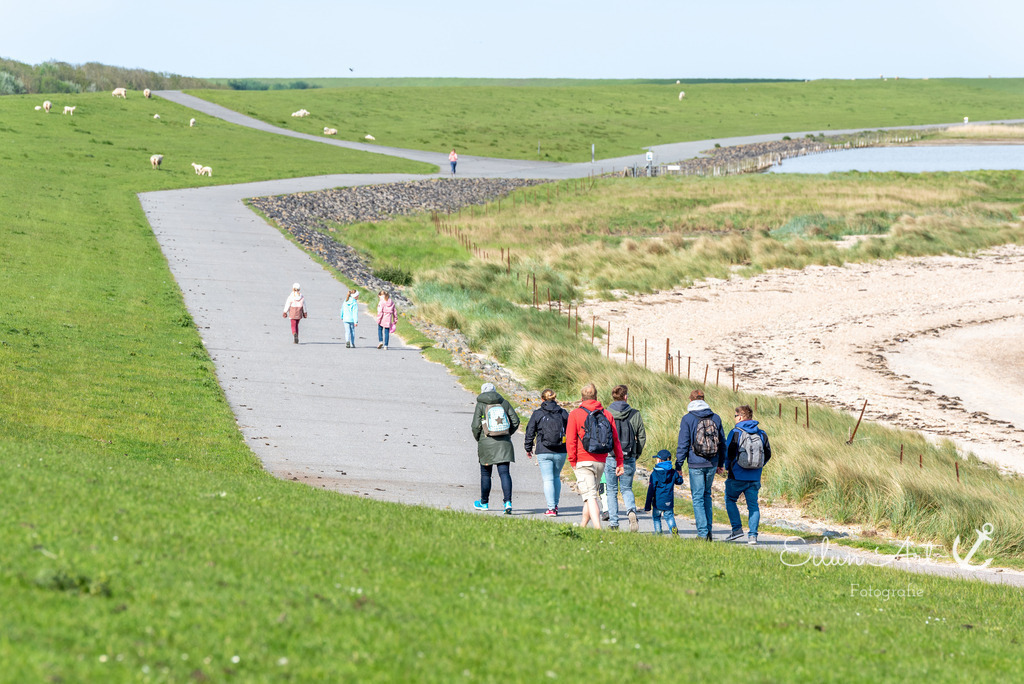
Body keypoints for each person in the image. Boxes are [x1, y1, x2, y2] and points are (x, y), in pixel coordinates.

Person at [566, 383, 623, 530]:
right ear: (596, 397)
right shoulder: (606, 414)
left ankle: (598, 529)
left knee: (590, 496)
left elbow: (571, 440)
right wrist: (620, 462)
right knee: (589, 494)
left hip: (583, 460)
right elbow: (615, 440)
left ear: (581, 398)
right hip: (601, 460)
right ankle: (582, 526)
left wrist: (572, 460)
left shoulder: (575, 414)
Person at [675, 389, 726, 541]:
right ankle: (708, 532)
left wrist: (678, 465)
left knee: (697, 497)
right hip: (712, 461)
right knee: (707, 495)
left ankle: (702, 534)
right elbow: (723, 443)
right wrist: (721, 463)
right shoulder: (715, 417)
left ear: (691, 400)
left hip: (695, 463)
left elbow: (683, 444)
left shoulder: (688, 418)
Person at [723, 405, 772, 545]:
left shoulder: (736, 432)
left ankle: (737, 529)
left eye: (735, 415)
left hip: (737, 475)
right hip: (755, 476)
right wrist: (758, 467)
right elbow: (767, 454)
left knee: (730, 499)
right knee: (753, 505)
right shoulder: (762, 434)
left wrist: (727, 467)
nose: (734, 418)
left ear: (741, 416)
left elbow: (729, 453)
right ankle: (753, 536)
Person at [471, 382, 520, 514]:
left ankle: (484, 502)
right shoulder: (504, 403)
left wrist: (480, 439)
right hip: (504, 443)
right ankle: (508, 503)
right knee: (504, 473)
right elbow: (516, 421)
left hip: (486, 443)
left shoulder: (481, 405)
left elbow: (475, 426)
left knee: (486, 474)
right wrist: (507, 433)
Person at [607, 384, 647, 532]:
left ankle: (614, 523)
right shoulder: (635, 414)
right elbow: (641, 436)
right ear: (625, 397)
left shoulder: (606, 413)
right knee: (626, 489)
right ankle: (631, 511)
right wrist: (636, 453)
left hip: (610, 456)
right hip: (628, 456)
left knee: (611, 490)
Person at [523, 389, 569, 517]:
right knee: (556, 477)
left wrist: (528, 447)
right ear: (555, 399)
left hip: (544, 450)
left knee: (548, 479)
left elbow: (530, 431)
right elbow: (570, 430)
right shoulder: (563, 413)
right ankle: (555, 505)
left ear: (542, 399)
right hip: (561, 450)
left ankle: (551, 508)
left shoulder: (538, 413)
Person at [644, 450, 684, 535]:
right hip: (668, 501)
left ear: (659, 460)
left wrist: (647, 505)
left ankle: (658, 534)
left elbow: (651, 489)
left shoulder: (654, 473)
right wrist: (680, 474)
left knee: (656, 518)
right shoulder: (673, 472)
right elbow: (679, 481)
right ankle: (674, 532)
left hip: (657, 502)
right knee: (670, 517)